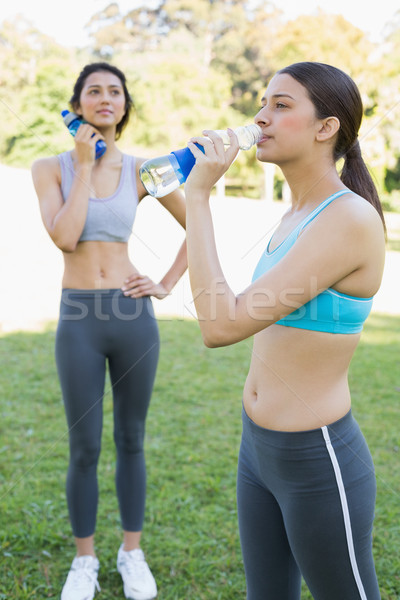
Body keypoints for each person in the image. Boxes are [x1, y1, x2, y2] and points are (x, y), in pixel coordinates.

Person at [183, 62, 386, 600]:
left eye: (281, 105)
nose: (260, 117)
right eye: (262, 104)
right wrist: (188, 196)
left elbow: (220, 325)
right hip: (258, 451)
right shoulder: (295, 213)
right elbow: (227, 303)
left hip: (316, 459)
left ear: (326, 127)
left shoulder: (350, 219)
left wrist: (199, 198)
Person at [31, 62, 187, 600]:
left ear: (125, 106)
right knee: (83, 447)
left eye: (114, 91)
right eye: (92, 90)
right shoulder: (48, 168)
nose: (104, 98)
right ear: (77, 105)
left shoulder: (147, 170)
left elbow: (200, 226)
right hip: (78, 316)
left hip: (131, 317)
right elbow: (65, 237)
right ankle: (84, 560)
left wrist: (166, 283)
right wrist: (81, 162)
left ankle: (132, 552)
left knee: (131, 439)